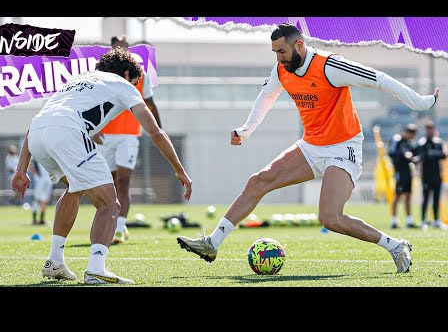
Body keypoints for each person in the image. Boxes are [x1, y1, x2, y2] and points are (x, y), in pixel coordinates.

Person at [177, 22, 439, 274]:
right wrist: (246, 130)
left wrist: (421, 103)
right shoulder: (282, 70)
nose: (278, 58)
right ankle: (213, 243)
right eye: (275, 53)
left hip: (343, 146)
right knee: (258, 181)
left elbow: (378, 78)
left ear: (299, 45)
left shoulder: (330, 65)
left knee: (330, 218)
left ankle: (396, 245)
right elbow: (267, 96)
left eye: (282, 51)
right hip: (312, 145)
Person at [11, 47, 192, 285]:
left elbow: (39, 122)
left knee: (74, 189)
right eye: (136, 82)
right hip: (66, 133)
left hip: (37, 135)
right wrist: (179, 169)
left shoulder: (77, 80)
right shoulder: (124, 85)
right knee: (109, 203)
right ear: (127, 74)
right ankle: (96, 269)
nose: (136, 86)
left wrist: (21, 169)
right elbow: (156, 132)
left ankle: (55, 261)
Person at [91, 35, 162, 244]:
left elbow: (150, 103)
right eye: (116, 49)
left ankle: (120, 228)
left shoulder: (140, 75)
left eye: (123, 48)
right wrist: (93, 129)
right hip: (105, 137)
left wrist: (159, 131)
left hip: (129, 135)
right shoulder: (102, 76)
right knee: (108, 184)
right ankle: (109, 225)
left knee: (123, 181)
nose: (120, 51)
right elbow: (92, 104)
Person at [415, 121, 447, 229]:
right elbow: (419, 156)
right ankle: (423, 221)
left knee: (436, 198)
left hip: (437, 175)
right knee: (425, 198)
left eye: (432, 129)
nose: (430, 131)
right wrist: (432, 154)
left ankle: (437, 220)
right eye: (428, 129)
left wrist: (432, 154)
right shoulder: (422, 143)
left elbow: (443, 155)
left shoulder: (438, 142)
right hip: (426, 176)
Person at [388, 124, 419, 229]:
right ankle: (394, 221)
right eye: (412, 135)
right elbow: (392, 153)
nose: (412, 138)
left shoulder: (408, 142)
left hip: (408, 172)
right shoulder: (397, 140)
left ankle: (409, 221)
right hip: (400, 172)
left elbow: (413, 154)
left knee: (408, 196)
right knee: (397, 196)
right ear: (408, 133)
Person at [28, 159, 54, 225]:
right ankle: (34, 219)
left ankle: (41, 220)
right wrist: (37, 175)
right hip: (40, 181)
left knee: (44, 200)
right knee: (37, 199)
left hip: (48, 180)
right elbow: (30, 165)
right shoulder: (37, 155)